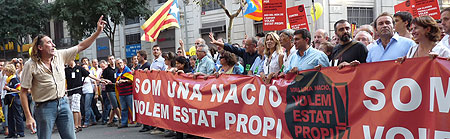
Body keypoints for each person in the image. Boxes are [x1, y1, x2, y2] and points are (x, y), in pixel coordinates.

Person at [19, 16, 106, 139]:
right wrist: (28, 117)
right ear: (40, 47)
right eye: (49, 42)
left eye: (52, 42)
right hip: (44, 108)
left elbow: (81, 46)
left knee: (70, 137)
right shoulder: (30, 65)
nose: (53, 44)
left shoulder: (60, 55)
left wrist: (97, 32)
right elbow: (23, 92)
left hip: (63, 103)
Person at [3, 64, 24, 138]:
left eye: (6, 71)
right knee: (10, 116)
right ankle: (11, 133)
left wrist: (9, 89)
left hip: (15, 99)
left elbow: (19, 89)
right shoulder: (8, 79)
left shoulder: (15, 79)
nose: (5, 73)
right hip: (9, 100)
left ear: (10, 71)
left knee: (17, 116)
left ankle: (20, 132)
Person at [101, 55, 122, 127]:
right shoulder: (106, 70)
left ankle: (110, 121)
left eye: (113, 59)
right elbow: (101, 79)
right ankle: (120, 119)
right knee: (115, 104)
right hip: (110, 89)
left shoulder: (117, 69)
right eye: (110, 59)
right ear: (108, 61)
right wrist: (106, 80)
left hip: (117, 88)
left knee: (114, 106)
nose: (112, 60)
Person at [115, 59, 134, 129]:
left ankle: (138, 121)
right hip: (121, 93)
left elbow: (132, 80)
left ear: (123, 63)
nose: (120, 64)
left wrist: (124, 81)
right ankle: (124, 123)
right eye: (118, 63)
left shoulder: (128, 71)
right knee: (123, 109)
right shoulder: (117, 72)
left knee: (132, 107)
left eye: (120, 63)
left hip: (129, 92)